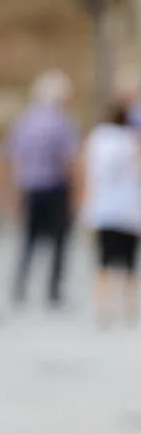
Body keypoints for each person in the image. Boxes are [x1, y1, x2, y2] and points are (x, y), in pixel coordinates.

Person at [5, 69, 80, 309]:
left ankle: (20, 285)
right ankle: (53, 290)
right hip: (56, 188)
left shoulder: (26, 120)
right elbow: (70, 160)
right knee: (59, 241)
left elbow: (14, 157)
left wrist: (16, 192)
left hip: (30, 187)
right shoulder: (64, 122)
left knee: (29, 240)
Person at [77, 102, 141, 327]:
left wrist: (86, 205)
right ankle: (129, 306)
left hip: (103, 208)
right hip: (128, 210)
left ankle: (102, 306)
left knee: (103, 261)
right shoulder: (131, 141)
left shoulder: (97, 139)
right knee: (130, 263)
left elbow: (87, 172)